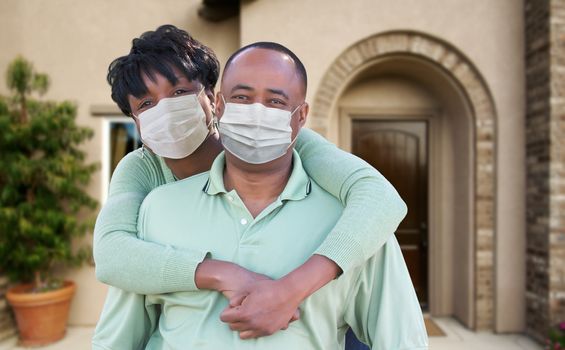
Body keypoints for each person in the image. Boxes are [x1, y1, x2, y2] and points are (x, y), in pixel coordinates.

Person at [94, 42, 428, 349]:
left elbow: (378, 197)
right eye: (147, 103)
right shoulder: (146, 184)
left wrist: (289, 291)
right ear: (135, 119)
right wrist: (222, 273)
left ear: (211, 98)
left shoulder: (296, 148)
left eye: (180, 91)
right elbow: (112, 255)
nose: (166, 110)